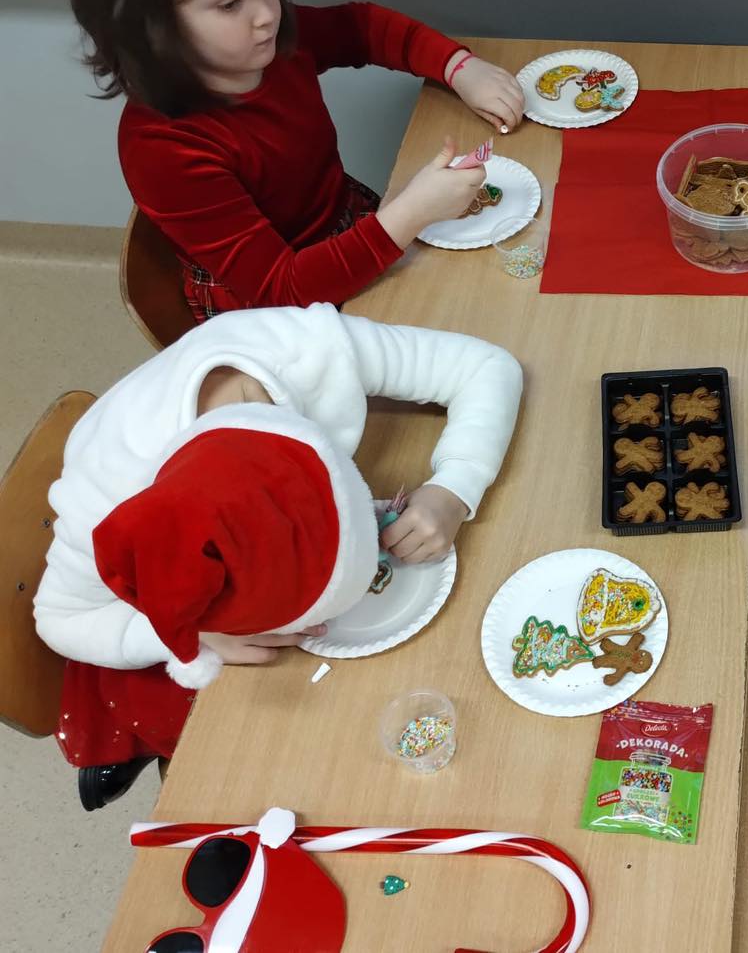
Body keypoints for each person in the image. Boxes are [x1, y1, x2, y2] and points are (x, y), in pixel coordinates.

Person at [34, 304, 523, 810]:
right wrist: (190, 635)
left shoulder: (306, 346)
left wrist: (455, 485)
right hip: (140, 614)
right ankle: (124, 745)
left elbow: (488, 367)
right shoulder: (101, 502)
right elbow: (57, 619)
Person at [67, 0, 525, 319]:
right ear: (149, 25)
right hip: (275, 310)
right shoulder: (163, 148)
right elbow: (283, 288)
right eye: (230, 3)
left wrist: (460, 67)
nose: (267, 14)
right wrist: (412, 212)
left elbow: (362, 28)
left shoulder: (269, 43)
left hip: (344, 233)